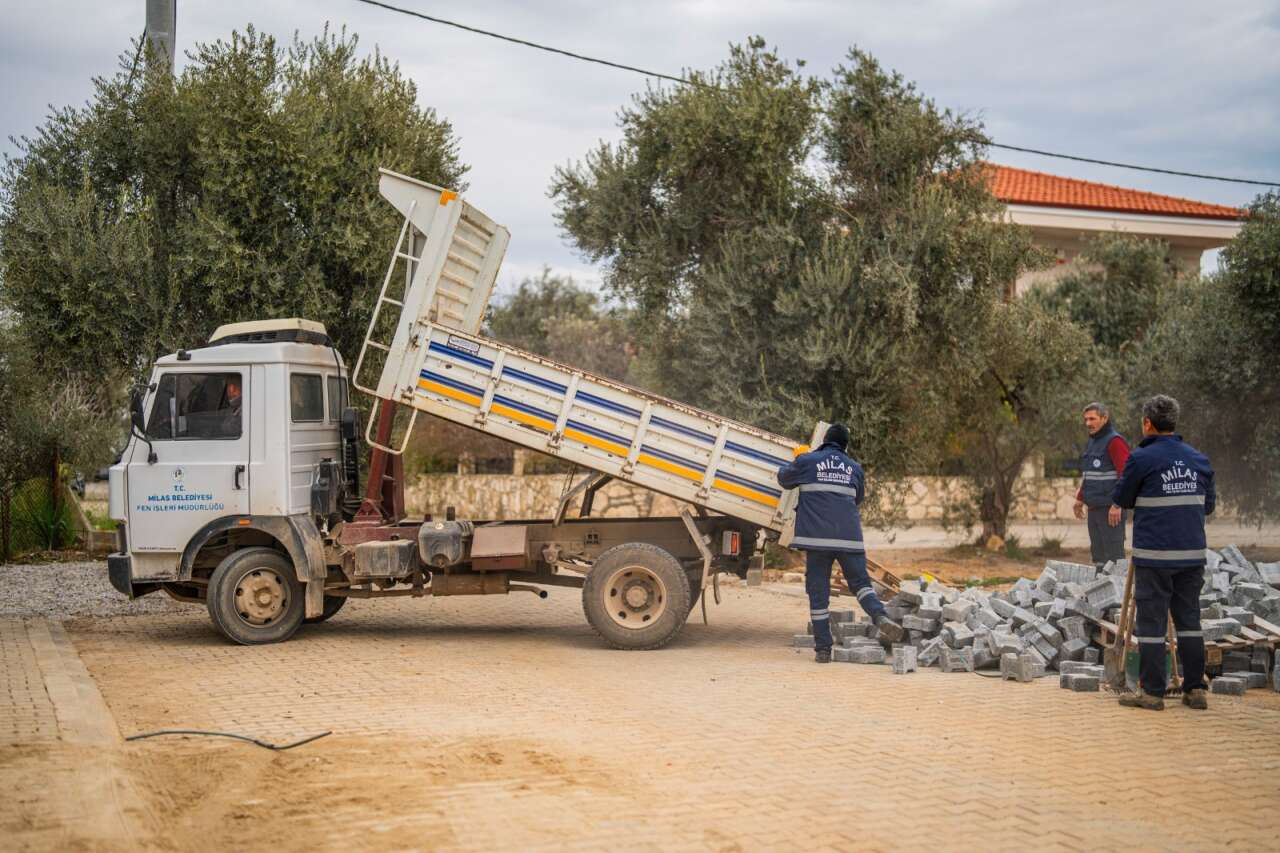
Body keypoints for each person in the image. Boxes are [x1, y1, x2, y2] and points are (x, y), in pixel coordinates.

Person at [1110, 395, 1214, 711]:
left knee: (1152, 625)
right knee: (1190, 622)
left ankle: (1152, 693)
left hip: (1154, 558)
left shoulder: (1141, 459)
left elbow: (1123, 498)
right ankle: (1195, 690)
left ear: (1147, 423)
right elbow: (1208, 506)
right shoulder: (1199, 459)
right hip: (1191, 557)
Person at [777, 423, 905, 663]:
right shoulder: (855, 468)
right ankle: (880, 616)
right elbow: (858, 498)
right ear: (845, 446)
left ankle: (823, 650)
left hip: (817, 540)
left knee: (818, 592)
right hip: (849, 539)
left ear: (824, 440)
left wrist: (799, 458)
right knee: (861, 584)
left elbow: (783, 479)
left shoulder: (809, 461)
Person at [1073, 402, 1131, 568]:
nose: (1088, 423)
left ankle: (1119, 593)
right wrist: (1079, 499)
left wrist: (1117, 505)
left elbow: (1126, 476)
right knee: (1098, 557)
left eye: (1092, 419)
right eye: (1086, 419)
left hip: (1111, 511)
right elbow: (1090, 475)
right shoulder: (1092, 442)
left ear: (1105, 418)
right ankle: (1100, 592)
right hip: (1094, 509)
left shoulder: (1115, 442)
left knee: (1114, 559)